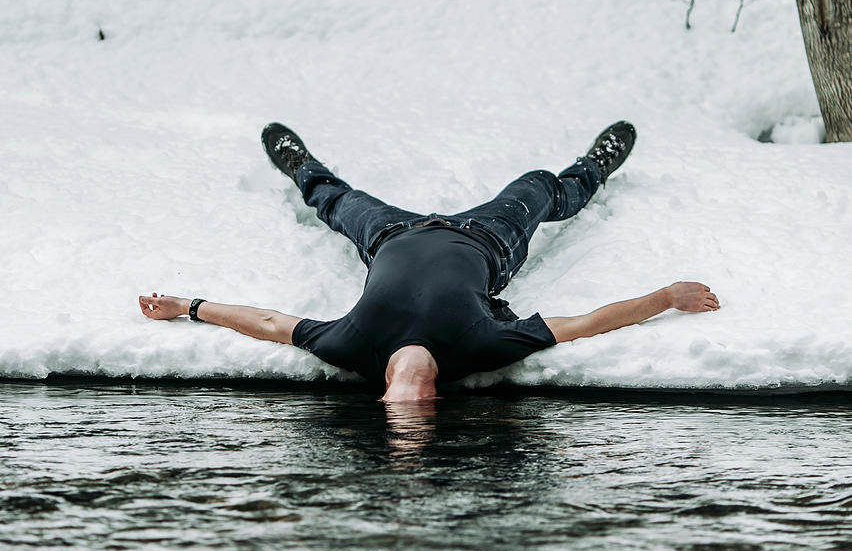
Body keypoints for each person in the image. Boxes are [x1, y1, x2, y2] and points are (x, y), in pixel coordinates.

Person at [139, 121, 718, 401]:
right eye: (423, 407)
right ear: (434, 393)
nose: (412, 397)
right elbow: (586, 324)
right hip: (488, 240)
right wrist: (667, 298)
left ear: (388, 393)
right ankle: (595, 165)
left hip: (389, 236)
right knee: (539, 186)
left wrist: (189, 307)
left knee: (336, 201)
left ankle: (299, 164)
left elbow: (269, 324)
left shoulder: (352, 349)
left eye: (400, 407)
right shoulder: (478, 349)